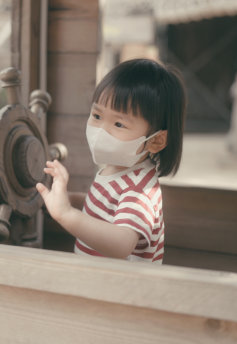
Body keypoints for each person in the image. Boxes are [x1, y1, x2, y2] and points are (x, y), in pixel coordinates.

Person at [36, 59, 186, 263]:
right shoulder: (117, 167)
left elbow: (122, 244)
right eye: (97, 116)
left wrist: (66, 213)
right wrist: (67, 198)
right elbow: (104, 207)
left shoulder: (138, 189)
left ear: (156, 140)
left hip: (122, 290)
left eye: (118, 123)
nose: (101, 130)